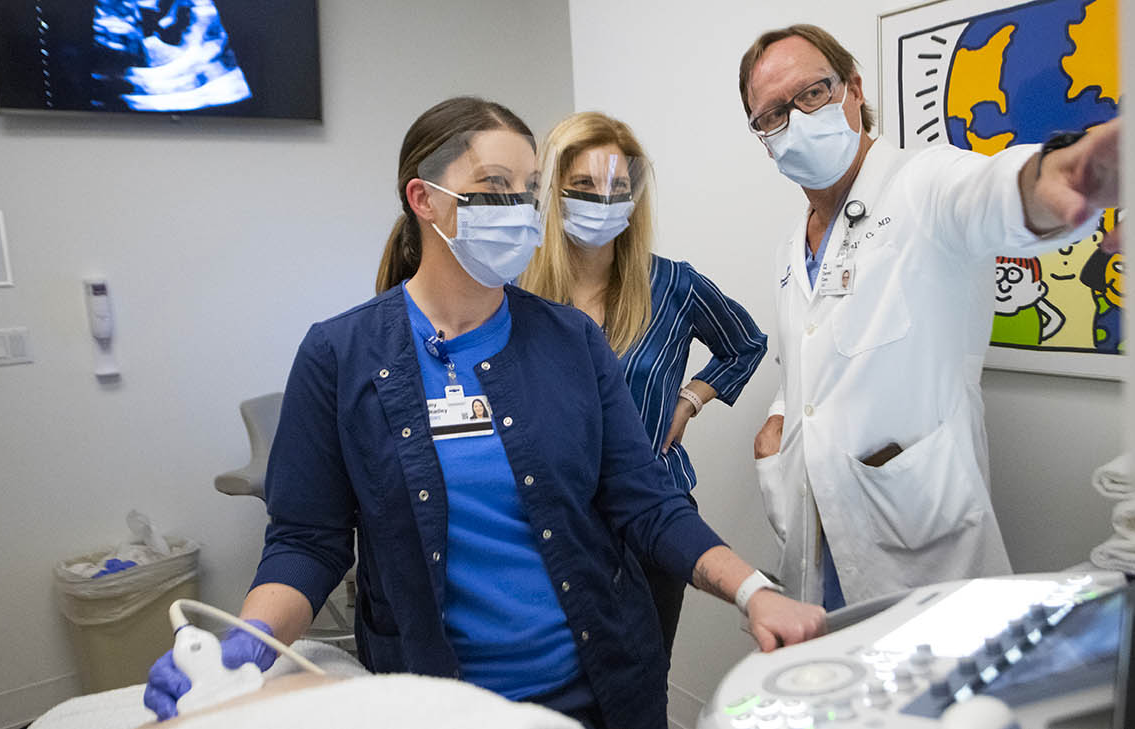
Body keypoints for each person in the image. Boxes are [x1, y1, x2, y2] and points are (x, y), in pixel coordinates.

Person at [144, 96, 827, 729]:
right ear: (426, 199)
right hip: (436, 700)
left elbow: (647, 504)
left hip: (600, 688)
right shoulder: (340, 354)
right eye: (496, 189)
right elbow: (307, 541)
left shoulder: (570, 341)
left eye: (529, 192)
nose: (522, 209)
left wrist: (754, 591)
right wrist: (245, 645)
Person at [740, 25, 1120, 610]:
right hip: (819, 542)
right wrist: (778, 419)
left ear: (853, 89)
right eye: (770, 117)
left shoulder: (922, 184)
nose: (793, 122)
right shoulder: (791, 251)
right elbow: (809, 360)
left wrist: (1055, 179)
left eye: (811, 94)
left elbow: (991, 191)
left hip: (919, 539)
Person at [518, 111, 768, 656]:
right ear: (552, 191)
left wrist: (691, 398)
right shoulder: (518, 293)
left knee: (640, 681)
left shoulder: (672, 284)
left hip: (654, 517)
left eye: (617, 187)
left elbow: (746, 342)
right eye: (582, 185)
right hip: (553, 524)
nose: (602, 201)